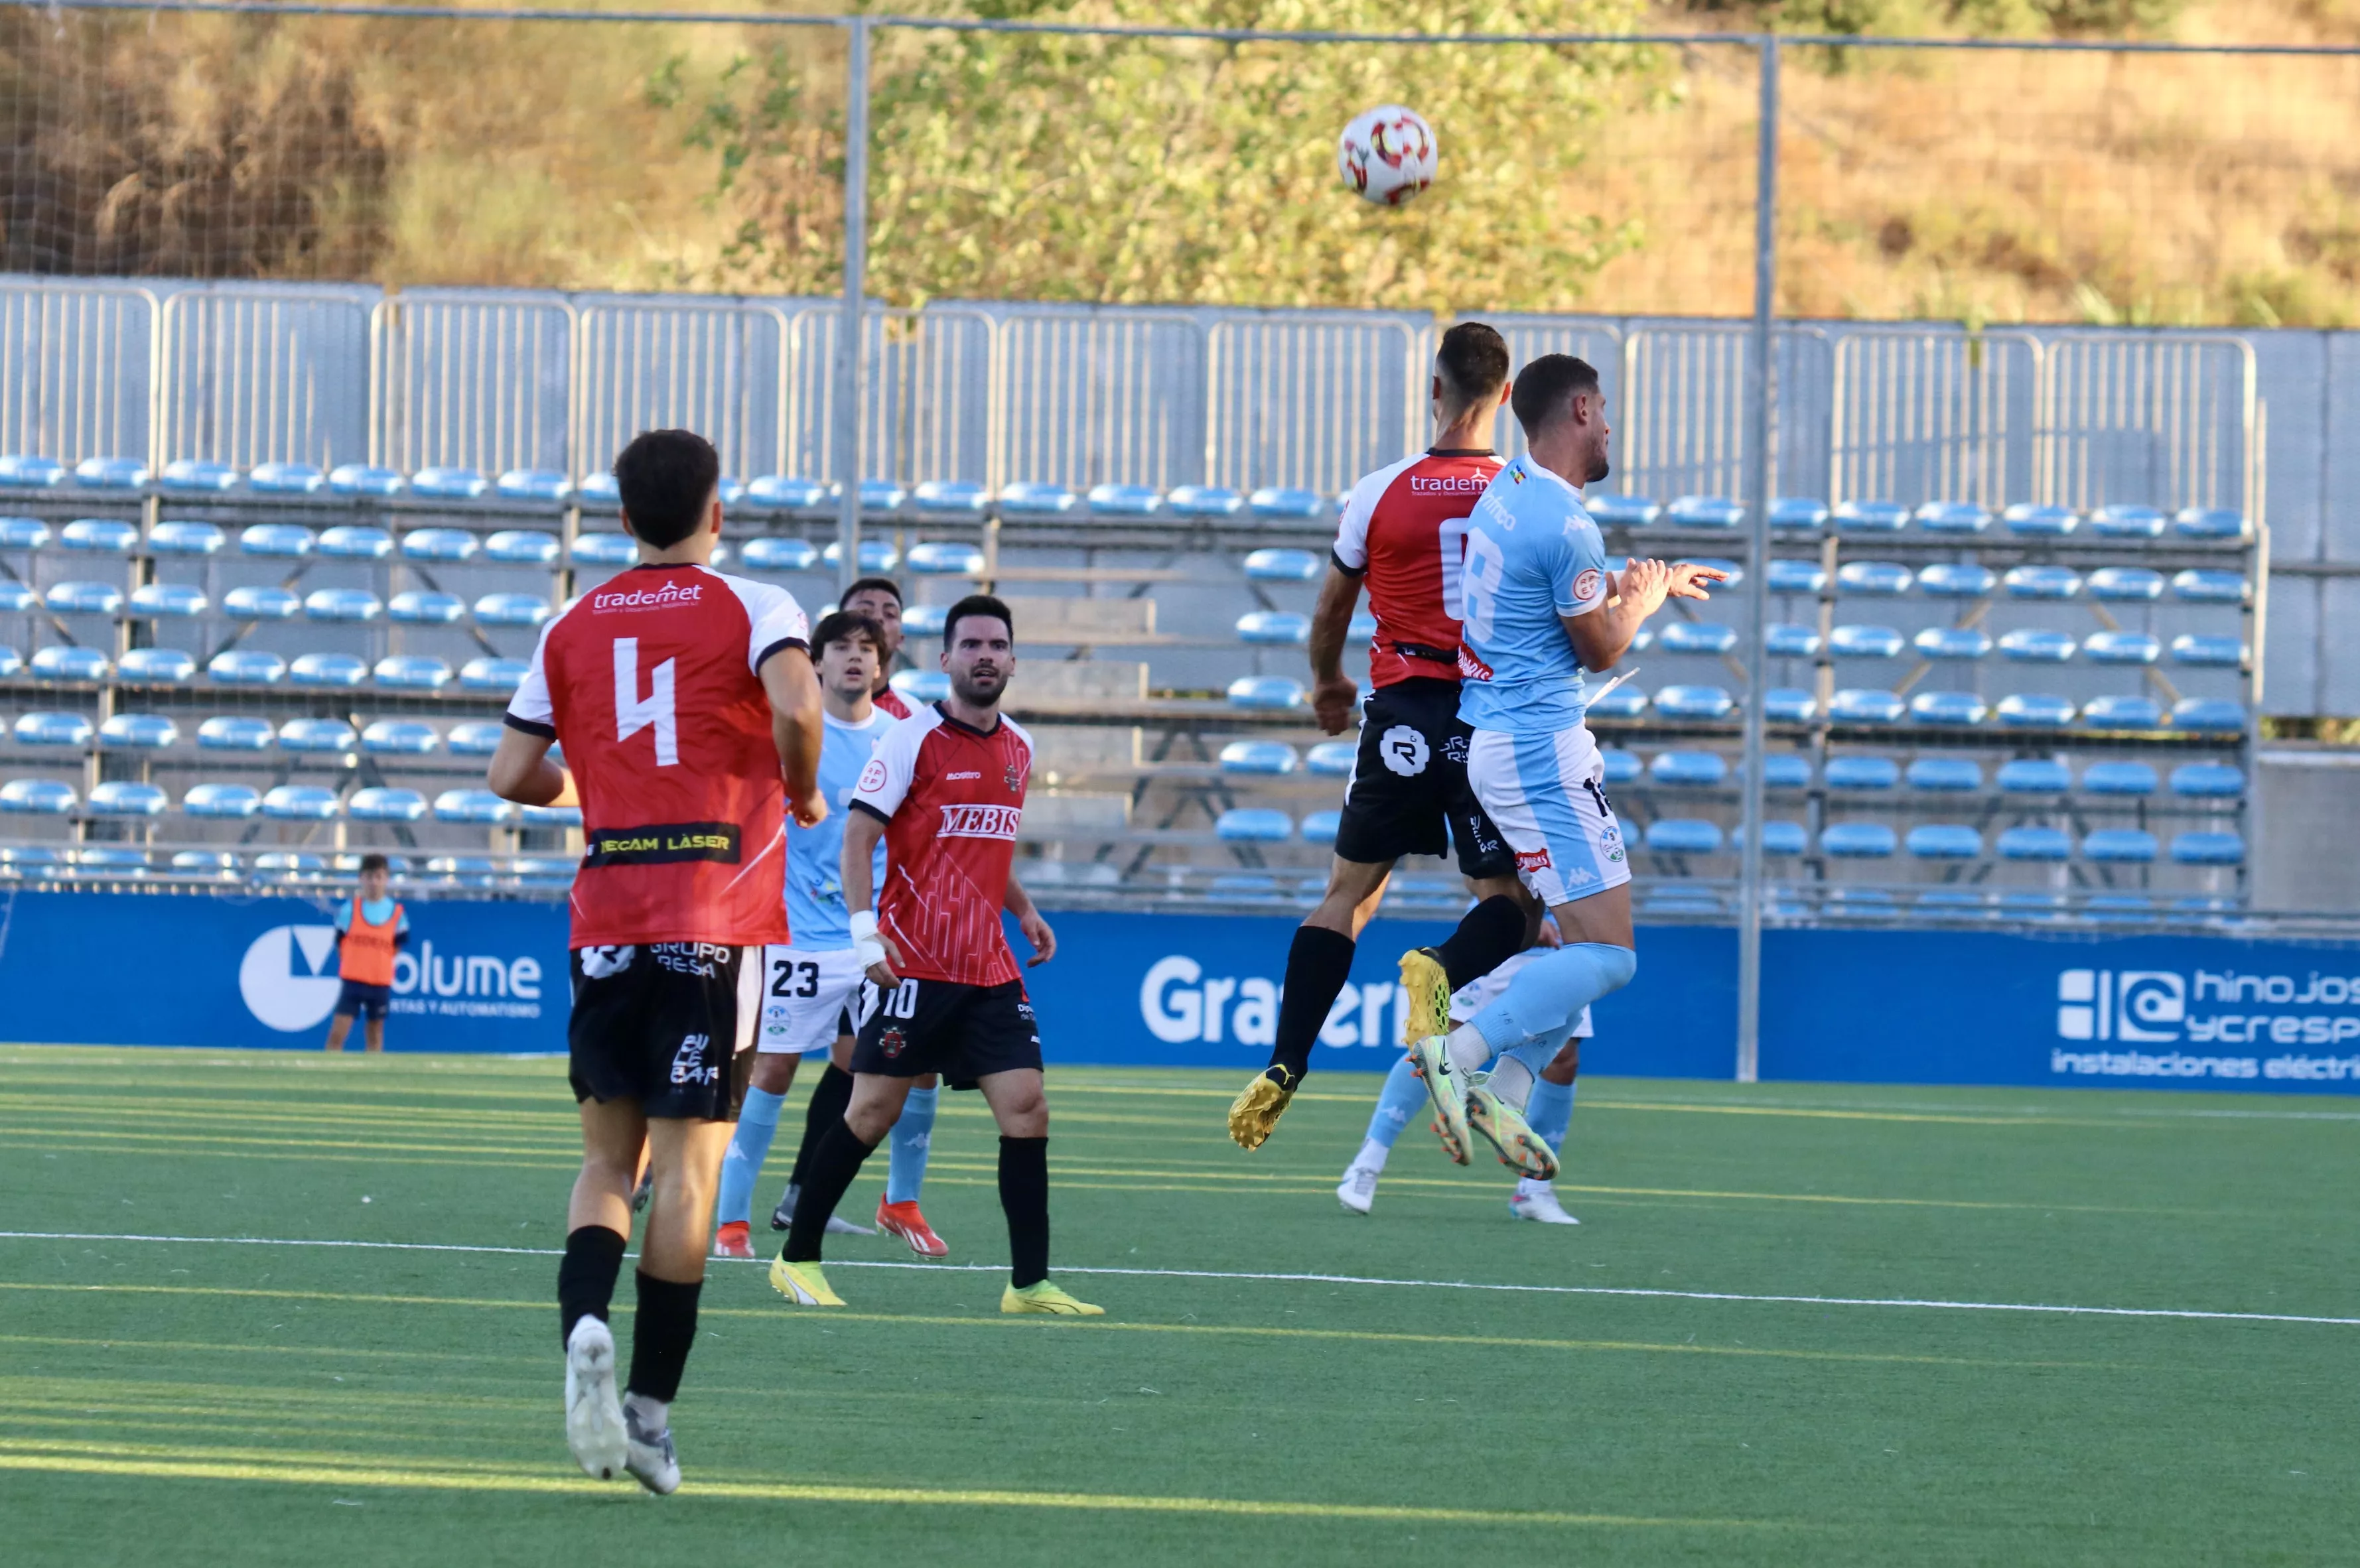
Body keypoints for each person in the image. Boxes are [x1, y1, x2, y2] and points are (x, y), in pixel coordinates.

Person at [488, 427, 826, 1496]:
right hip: (714, 920)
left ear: (623, 518)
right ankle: (647, 1411)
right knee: (689, 1167)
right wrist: (805, 788)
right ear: (716, 511)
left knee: (606, 1164)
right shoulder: (756, 605)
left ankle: (585, 1319)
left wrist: (593, 794)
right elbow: (799, 704)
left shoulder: (570, 624)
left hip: (606, 922)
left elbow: (510, 771)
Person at [1406, 356, 1722, 1174]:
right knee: (1609, 957)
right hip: (1539, 755)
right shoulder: (1567, 523)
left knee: (1571, 949)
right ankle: (1459, 1055)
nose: (1611, 425)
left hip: (1499, 743)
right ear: (1580, 409)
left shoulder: (1509, 490)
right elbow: (1597, 645)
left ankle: (1504, 1090)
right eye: (1605, 410)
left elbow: (1546, 589)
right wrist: (1639, 606)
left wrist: (1636, 579)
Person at [1227, 321, 1537, 1152]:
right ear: (1504, 398)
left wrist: (1326, 680)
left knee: (1350, 895)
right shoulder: (1524, 492)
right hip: (1486, 718)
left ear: (1433, 391)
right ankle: (1436, 969)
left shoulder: (1378, 490)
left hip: (1400, 711)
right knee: (1509, 901)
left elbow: (1332, 607)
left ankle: (1286, 1060)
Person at [768, 594, 1102, 1317]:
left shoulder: (1018, 745)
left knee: (1027, 1110)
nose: (985, 656)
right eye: (971, 645)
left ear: (1012, 660)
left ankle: (1028, 1284)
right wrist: (865, 934)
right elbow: (858, 837)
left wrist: (1024, 910)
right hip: (912, 964)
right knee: (870, 1114)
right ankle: (795, 1260)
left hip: (988, 967)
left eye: (997, 645)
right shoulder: (910, 737)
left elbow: (986, 846)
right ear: (945, 659)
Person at [714, 610, 945, 1262]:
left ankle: (901, 1202)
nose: (853, 658)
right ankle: (733, 1223)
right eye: (839, 647)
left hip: (882, 935)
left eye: (864, 649)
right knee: (773, 1070)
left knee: (913, 1065)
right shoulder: (790, 729)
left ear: (881, 664)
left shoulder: (904, 737)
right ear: (815, 662)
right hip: (800, 935)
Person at [1338, 947, 1586, 1226]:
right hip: (1511, 943)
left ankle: (1534, 1191)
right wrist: (1535, 920)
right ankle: (1367, 1164)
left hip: (1570, 955)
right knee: (1444, 1042)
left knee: (1564, 1057)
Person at [322, 853, 408, 1053]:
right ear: (361, 878)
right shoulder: (350, 910)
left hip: (379, 982)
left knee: (375, 1032)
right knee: (338, 1032)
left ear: (386, 879)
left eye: (379, 877)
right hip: (353, 980)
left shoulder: (396, 913)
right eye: (369, 877)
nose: (374, 883)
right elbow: (340, 943)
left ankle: (373, 1077)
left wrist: (378, 962)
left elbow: (397, 946)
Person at [841, 575, 914, 720]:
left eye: (890, 614)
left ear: (901, 639)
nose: (878, 619)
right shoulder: (804, 704)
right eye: (865, 612)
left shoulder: (912, 716)